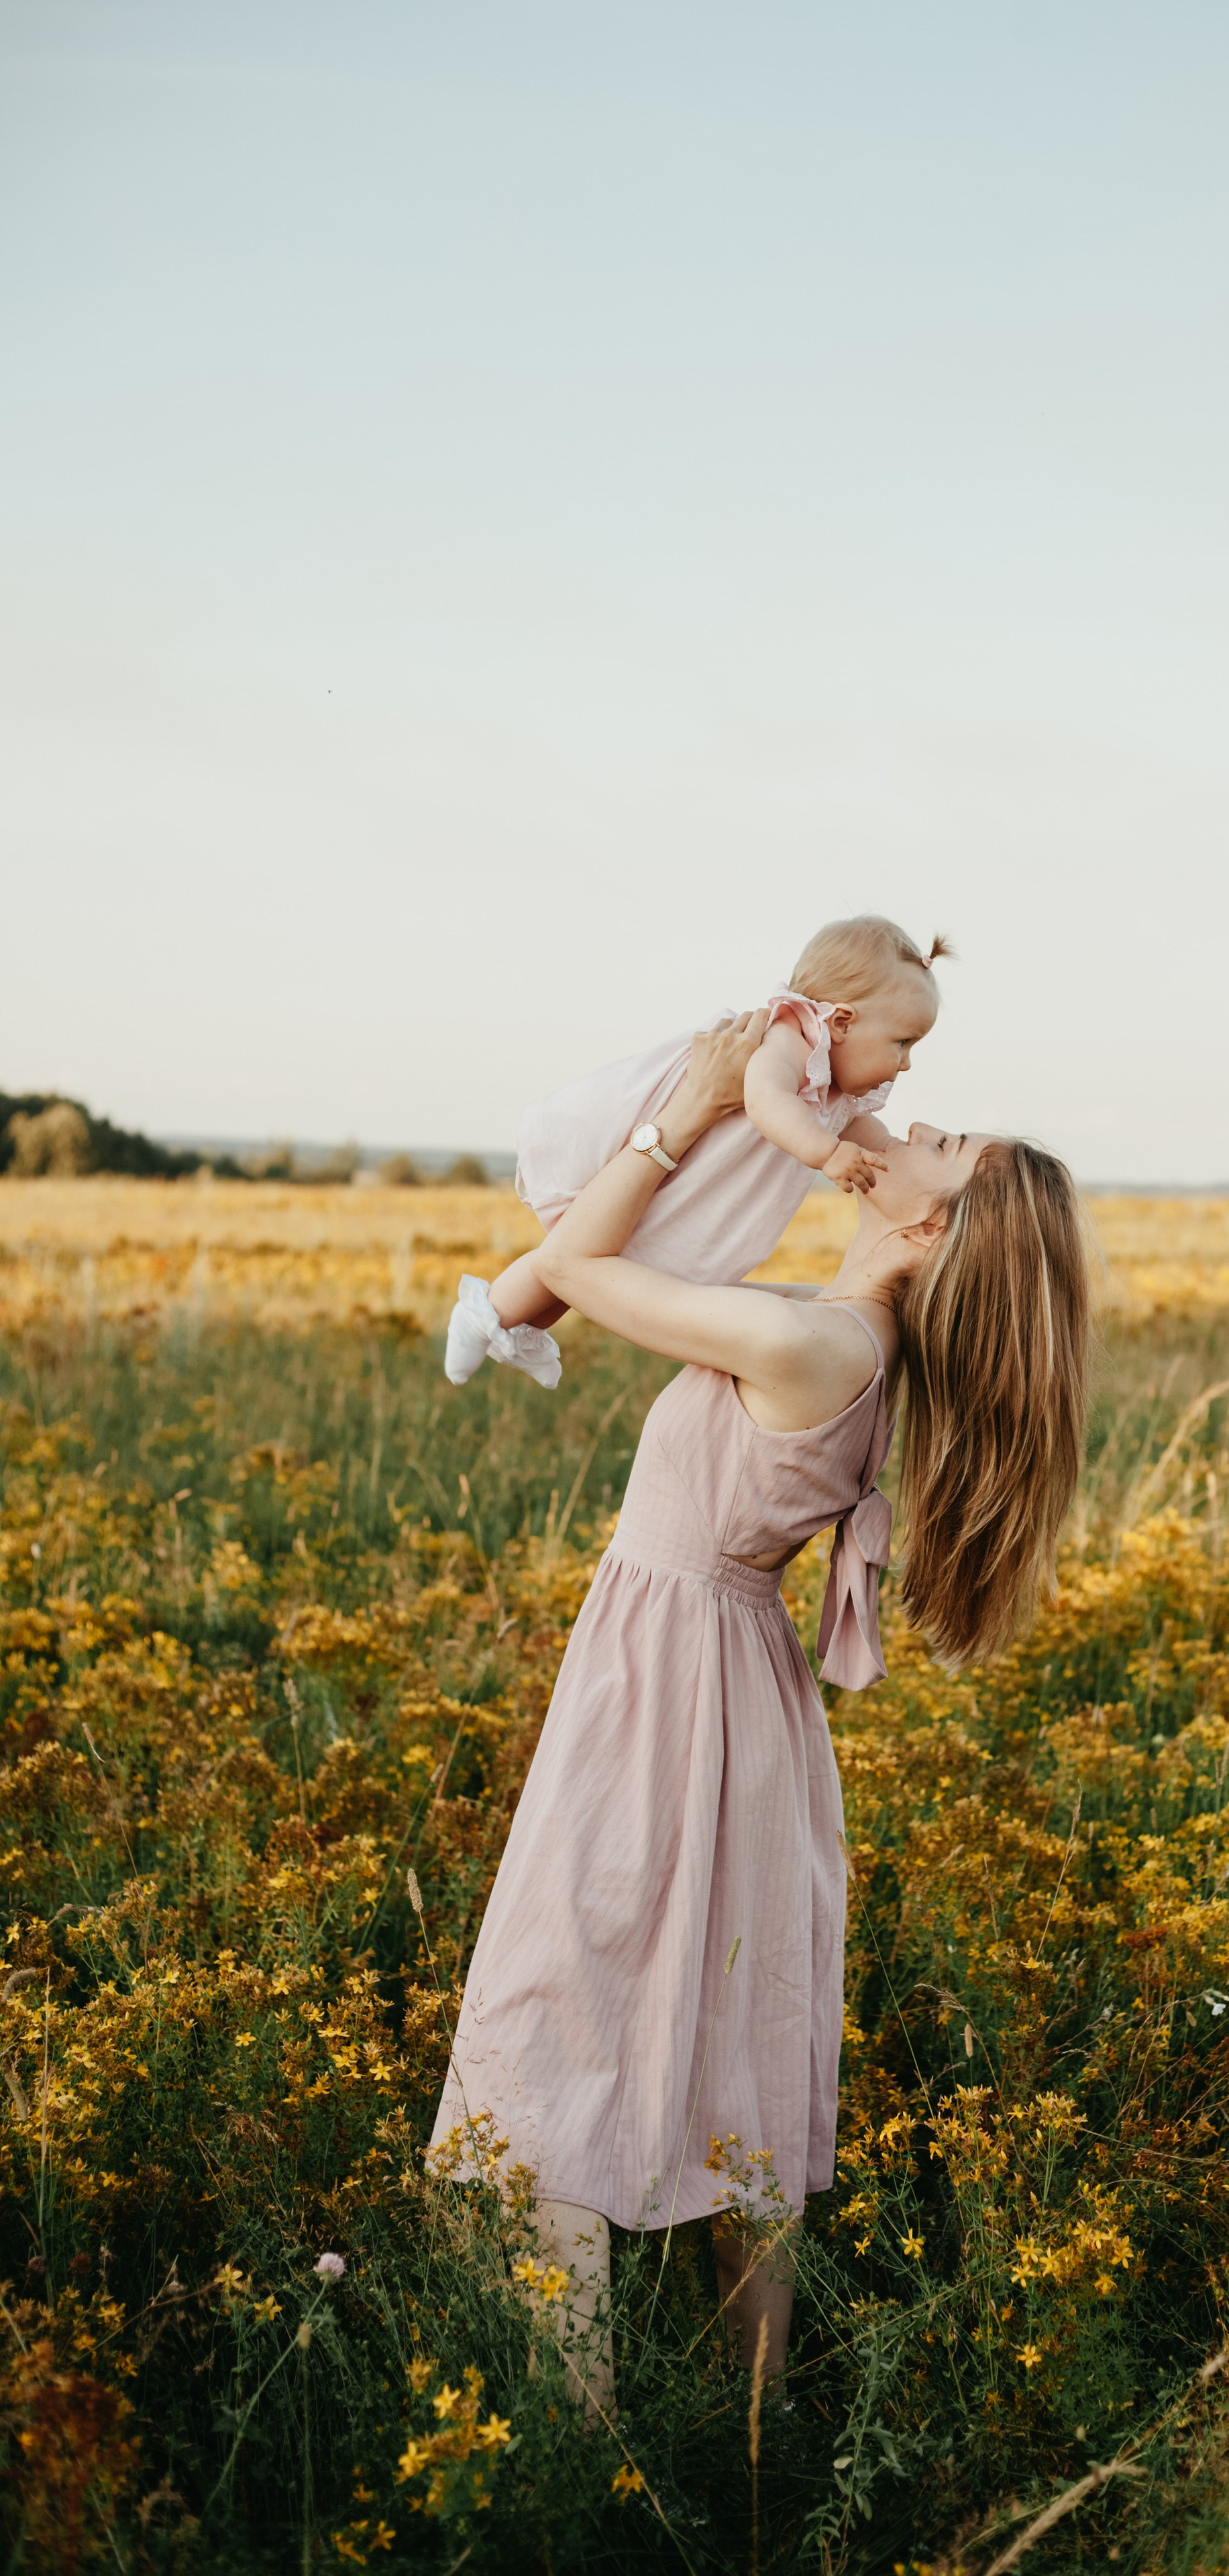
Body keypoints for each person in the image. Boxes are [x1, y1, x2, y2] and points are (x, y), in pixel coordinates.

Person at [427, 1013, 1090, 2410]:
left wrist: (683, 1112)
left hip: (665, 1694)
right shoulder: (844, 1338)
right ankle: (755, 2420)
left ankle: (572, 2434)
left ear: (930, 1227)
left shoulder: (810, 1343)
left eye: (939, 1143)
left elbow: (576, 1268)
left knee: (553, 2016)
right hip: (722, 1692)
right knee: (727, 2032)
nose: (910, 1122)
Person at [444, 916, 953, 1391]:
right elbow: (767, 1100)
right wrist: (826, 1154)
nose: (906, 1063)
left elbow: (863, 1130)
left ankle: (523, 1327)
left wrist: (900, 1155)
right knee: (571, 1256)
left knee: (612, 1264)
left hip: (698, 1187)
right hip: (680, 1178)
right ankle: (481, 1315)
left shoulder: (835, 1088)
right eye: (902, 1043)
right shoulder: (788, 1042)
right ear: (841, 1022)